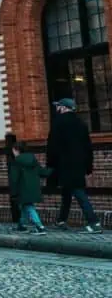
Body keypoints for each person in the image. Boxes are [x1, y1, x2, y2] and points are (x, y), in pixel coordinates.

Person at [46, 98, 103, 234]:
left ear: (64, 108)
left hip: (64, 165)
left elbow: (52, 147)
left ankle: (94, 222)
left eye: (58, 106)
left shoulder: (58, 123)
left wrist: (50, 167)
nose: (57, 108)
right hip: (79, 165)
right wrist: (88, 167)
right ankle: (61, 220)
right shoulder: (81, 124)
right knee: (67, 192)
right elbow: (88, 148)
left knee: (78, 192)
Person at [8, 141, 51, 235]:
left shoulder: (16, 161)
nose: (12, 153)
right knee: (24, 206)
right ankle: (21, 226)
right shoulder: (33, 160)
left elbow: (14, 179)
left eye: (13, 150)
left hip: (22, 189)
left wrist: (13, 192)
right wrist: (53, 170)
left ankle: (40, 227)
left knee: (29, 207)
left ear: (16, 150)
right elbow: (42, 172)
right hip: (33, 189)